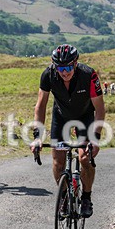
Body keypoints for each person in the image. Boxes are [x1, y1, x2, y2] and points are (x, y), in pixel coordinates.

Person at [31, 44, 105, 218]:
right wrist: (37, 136)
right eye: (60, 68)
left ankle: (86, 197)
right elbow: (40, 107)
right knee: (58, 162)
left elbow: (100, 110)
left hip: (85, 117)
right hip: (61, 116)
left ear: (76, 63)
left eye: (68, 67)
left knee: (84, 158)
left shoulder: (89, 75)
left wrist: (95, 138)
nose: (64, 72)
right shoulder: (48, 75)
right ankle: (64, 196)